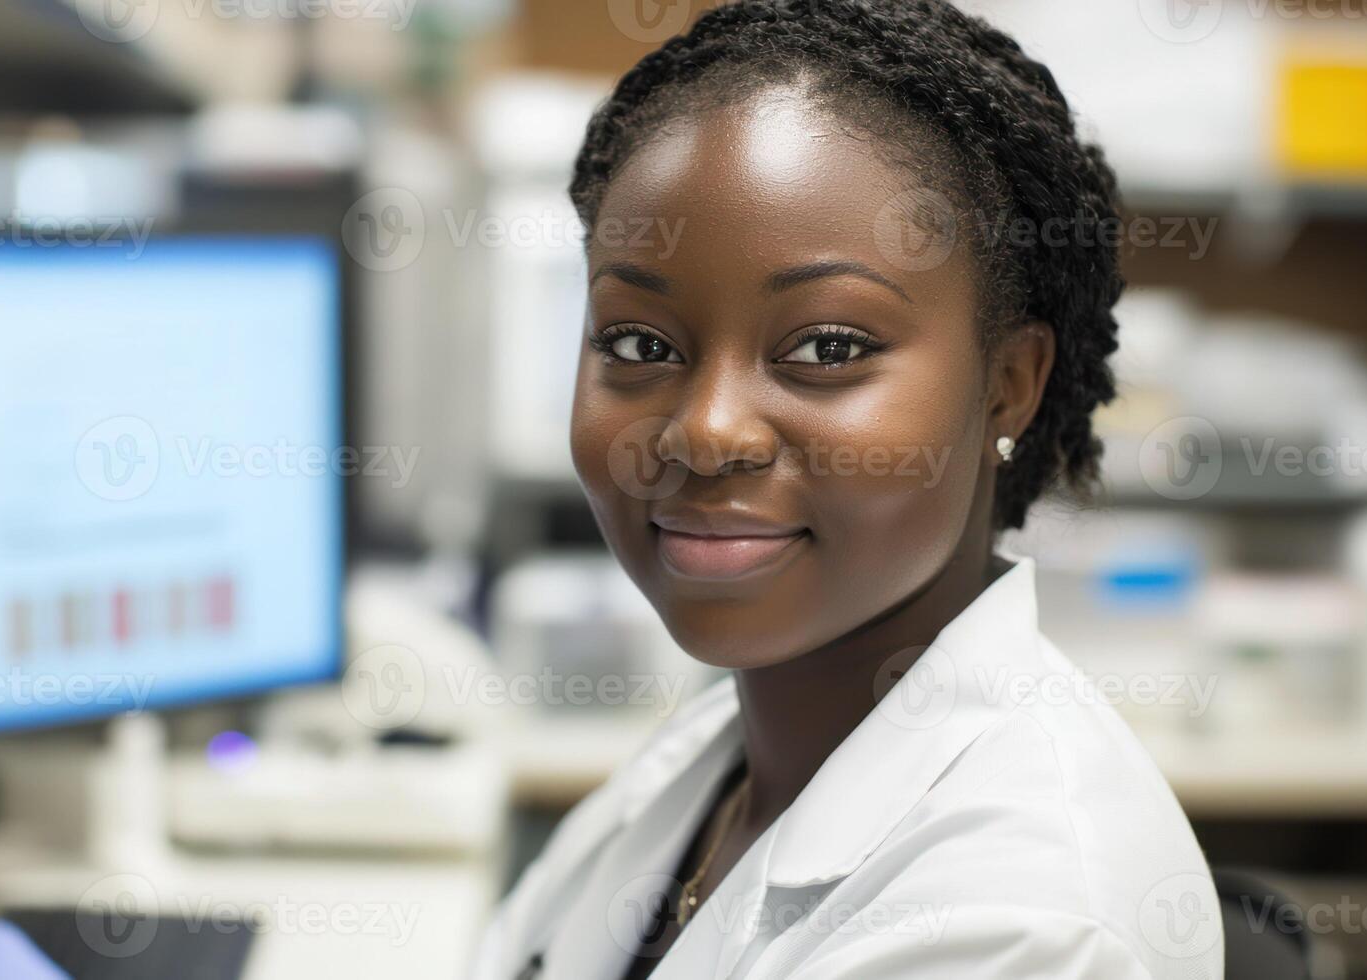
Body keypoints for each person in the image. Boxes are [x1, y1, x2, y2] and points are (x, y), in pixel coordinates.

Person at [470, 1, 1221, 978]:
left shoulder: (1026, 923)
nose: (704, 431)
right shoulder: (728, 749)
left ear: (1008, 385)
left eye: (827, 347)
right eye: (639, 343)